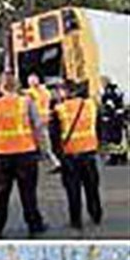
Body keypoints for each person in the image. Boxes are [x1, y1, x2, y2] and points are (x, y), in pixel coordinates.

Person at [0, 72, 46, 237]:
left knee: (2, 194)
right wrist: (39, 146)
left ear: (0, 87)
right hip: (26, 153)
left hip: (2, 155)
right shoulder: (26, 102)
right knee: (28, 193)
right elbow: (37, 126)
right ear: (16, 86)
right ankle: (34, 225)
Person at [52, 82, 103, 230]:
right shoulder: (91, 106)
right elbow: (98, 127)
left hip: (70, 155)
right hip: (89, 152)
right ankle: (96, 214)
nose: (58, 94)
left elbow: (54, 136)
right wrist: (96, 144)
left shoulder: (59, 109)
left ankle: (76, 220)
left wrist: (58, 155)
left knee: (73, 189)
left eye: (60, 91)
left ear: (66, 92)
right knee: (92, 187)